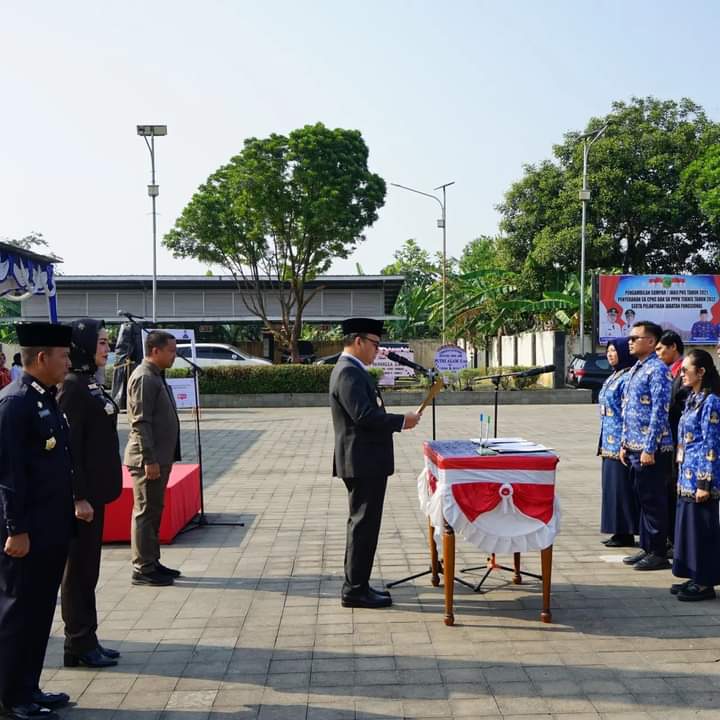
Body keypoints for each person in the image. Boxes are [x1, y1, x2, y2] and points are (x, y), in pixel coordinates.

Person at [0, 322, 74, 720]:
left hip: (49, 529)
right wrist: (16, 529)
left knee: (40, 611)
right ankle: (11, 697)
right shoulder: (15, 403)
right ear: (42, 358)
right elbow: (8, 475)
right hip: (26, 534)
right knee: (17, 614)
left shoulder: (44, 398)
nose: (68, 362)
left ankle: (28, 686)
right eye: (63, 356)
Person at [330, 318, 422, 609]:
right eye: (374, 343)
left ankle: (357, 583)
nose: (377, 350)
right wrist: (400, 422)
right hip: (362, 461)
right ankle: (355, 589)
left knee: (364, 525)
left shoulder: (354, 371)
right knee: (363, 526)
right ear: (358, 341)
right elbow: (365, 417)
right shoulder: (348, 372)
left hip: (365, 460)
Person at [58, 319, 123, 668]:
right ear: (81, 345)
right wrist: (78, 496)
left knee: (90, 571)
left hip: (98, 494)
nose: (107, 349)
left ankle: (89, 637)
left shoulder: (89, 384)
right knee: (79, 571)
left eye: (107, 342)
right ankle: (78, 643)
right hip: (83, 501)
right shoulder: (72, 387)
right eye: (100, 343)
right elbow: (70, 450)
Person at [124, 330, 181, 586]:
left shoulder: (155, 375)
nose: (174, 356)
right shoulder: (145, 377)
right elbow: (140, 421)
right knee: (145, 512)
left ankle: (152, 560)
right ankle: (143, 567)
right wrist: (150, 459)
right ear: (155, 350)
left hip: (159, 457)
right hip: (148, 459)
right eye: (171, 351)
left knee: (154, 510)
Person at [620, 321, 674, 571]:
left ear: (651, 342)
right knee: (641, 499)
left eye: (635, 337)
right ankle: (647, 546)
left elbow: (659, 412)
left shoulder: (658, 370)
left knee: (654, 500)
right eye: (630, 337)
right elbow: (628, 409)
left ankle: (659, 552)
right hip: (633, 447)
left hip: (651, 450)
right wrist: (624, 443)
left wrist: (649, 448)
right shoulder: (635, 369)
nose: (630, 341)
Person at [671, 349, 720, 601]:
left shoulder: (711, 402)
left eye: (686, 371)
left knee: (703, 532)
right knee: (689, 531)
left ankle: (705, 583)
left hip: (701, 479)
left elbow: (711, 445)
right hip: (686, 475)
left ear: (701, 372)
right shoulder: (693, 398)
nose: (682, 375)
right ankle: (694, 575)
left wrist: (704, 482)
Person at [598, 337, 638, 547]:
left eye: (614, 351)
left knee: (621, 490)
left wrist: (625, 441)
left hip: (620, 443)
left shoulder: (628, 377)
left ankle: (625, 531)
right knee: (611, 489)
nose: (610, 355)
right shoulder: (614, 375)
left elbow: (627, 412)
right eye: (609, 351)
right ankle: (616, 530)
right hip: (607, 442)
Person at [655, 330, 689, 553]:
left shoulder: (682, 375)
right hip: (669, 442)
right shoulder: (667, 372)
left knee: (675, 488)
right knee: (667, 489)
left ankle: (677, 540)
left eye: (660, 348)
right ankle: (670, 538)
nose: (658, 353)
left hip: (679, 440)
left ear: (673, 347)